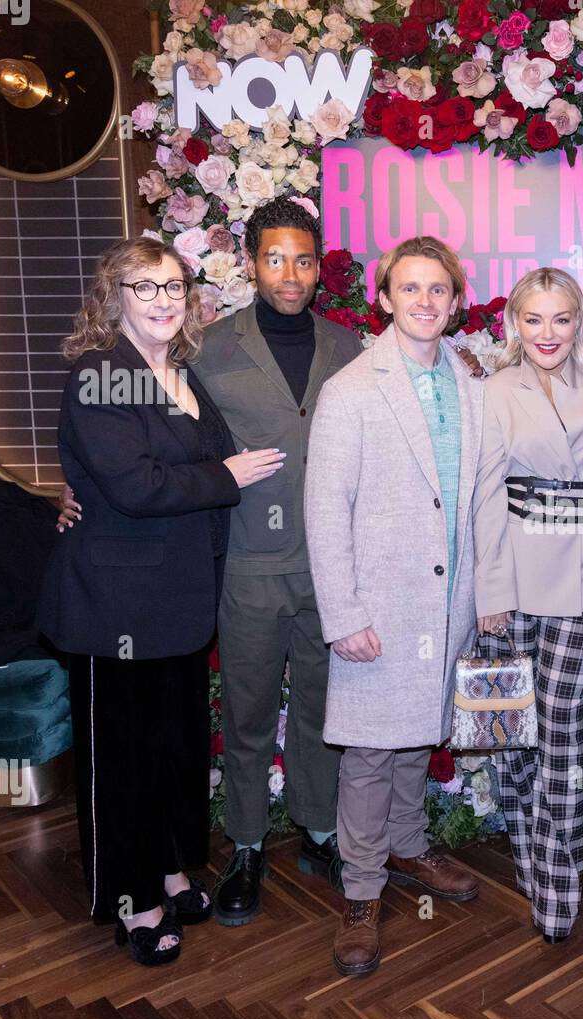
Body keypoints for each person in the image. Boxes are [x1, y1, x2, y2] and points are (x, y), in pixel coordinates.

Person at [37, 237, 283, 965]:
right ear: (113, 297)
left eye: (174, 286)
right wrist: (230, 474)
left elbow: (189, 460)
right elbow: (137, 484)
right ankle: (131, 899)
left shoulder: (177, 370)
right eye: (145, 287)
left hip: (177, 599)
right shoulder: (99, 374)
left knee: (173, 750)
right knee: (124, 762)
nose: (164, 299)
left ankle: (172, 868)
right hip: (112, 604)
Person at [305, 235, 483, 978]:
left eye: (438, 289)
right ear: (384, 299)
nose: (425, 301)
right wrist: (343, 614)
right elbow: (323, 506)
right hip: (378, 607)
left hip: (448, 603)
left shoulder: (470, 380)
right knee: (372, 752)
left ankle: (410, 845)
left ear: (454, 299)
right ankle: (361, 892)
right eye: (410, 288)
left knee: (421, 733)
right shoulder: (354, 387)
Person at [188, 199, 362, 924]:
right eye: (273, 259)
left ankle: (320, 833)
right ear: (250, 262)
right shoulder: (208, 347)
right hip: (251, 565)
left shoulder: (349, 348)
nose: (289, 275)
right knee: (252, 714)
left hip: (331, 567)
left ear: (318, 267)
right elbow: (163, 438)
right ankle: (250, 843)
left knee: (326, 709)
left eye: (302, 260)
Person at [472, 267, 583, 944]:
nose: (548, 333)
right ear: (515, 325)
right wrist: (490, 593)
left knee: (561, 726)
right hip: (510, 580)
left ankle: (558, 877)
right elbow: (483, 497)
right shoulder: (493, 391)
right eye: (534, 319)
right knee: (508, 728)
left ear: (579, 323)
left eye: (561, 319)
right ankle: (529, 850)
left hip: (582, 575)